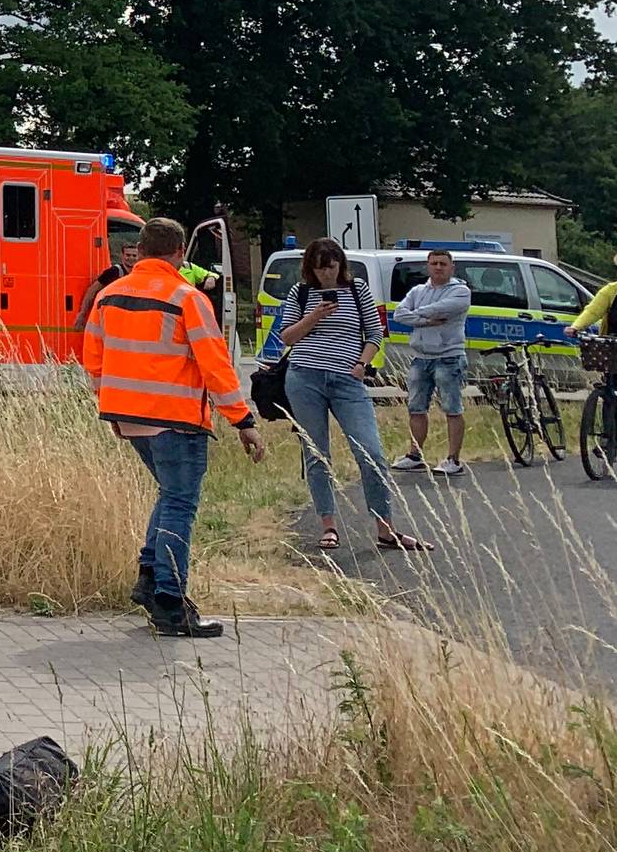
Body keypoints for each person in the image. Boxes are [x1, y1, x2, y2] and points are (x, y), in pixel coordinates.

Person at [85, 217, 266, 637]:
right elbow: (216, 365)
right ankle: (168, 600)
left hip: (128, 417)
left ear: (141, 248)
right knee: (180, 505)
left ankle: (150, 578)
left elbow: (93, 358)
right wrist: (242, 419)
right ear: (180, 252)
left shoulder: (109, 296)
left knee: (170, 498)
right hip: (175, 419)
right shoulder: (186, 298)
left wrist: (111, 406)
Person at [268, 237, 434, 555]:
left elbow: (373, 334)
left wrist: (362, 363)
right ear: (310, 269)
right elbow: (287, 335)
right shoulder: (299, 293)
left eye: (330, 268)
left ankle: (386, 529)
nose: (325, 276)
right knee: (317, 454)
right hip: (305, 377)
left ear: (340, 265)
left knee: (371, 453)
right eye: (319, 270)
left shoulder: (357, 290)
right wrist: (315, 315)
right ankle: (328, 526)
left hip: (348, 379)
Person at [390, 250, 472, 476]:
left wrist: (416, 316)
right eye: (434, 263)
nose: (438, 267)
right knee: (416, 408)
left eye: (443, 264)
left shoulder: (460, 291)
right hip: (420, 358)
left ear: (451, 267)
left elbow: (443, 309)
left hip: (448, 356)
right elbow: (398, 315)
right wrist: (426, 322)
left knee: (452, 408)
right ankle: (414, 455)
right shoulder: (417, 291)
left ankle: (453, 459)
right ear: (427, 266)